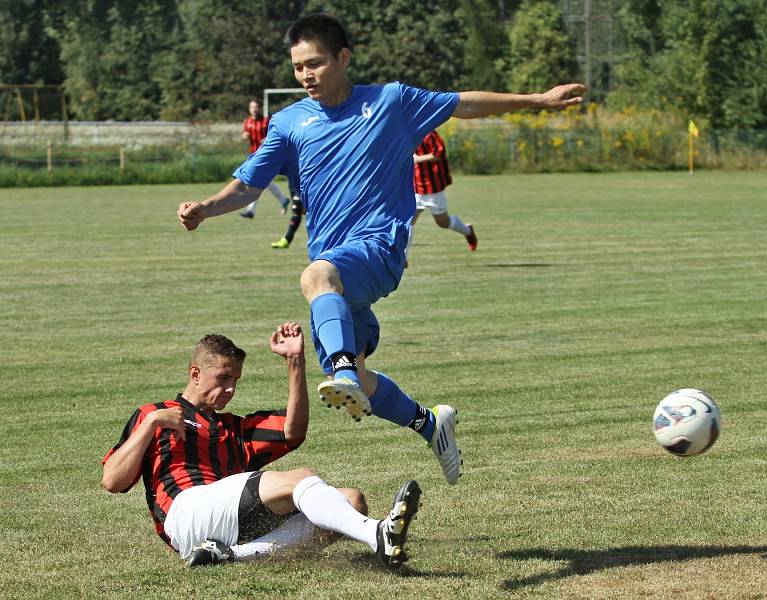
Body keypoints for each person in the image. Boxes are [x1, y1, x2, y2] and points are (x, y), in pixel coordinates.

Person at [177, 13, 585, 486]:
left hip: (377, 247)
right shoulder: (289, 123)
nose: (306, 75)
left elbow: (462, 104)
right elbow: (250, 184)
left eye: (315, 63)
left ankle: (346, 369)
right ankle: (430, 423)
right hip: (336, 266)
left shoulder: (391, 101)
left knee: (316, 283)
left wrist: (537, 100)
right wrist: (206, 208)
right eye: (297, 68)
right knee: (357, 380)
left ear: (343, 57)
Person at [101, 324, 422, 569]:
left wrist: (295, 361)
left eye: (236, 381)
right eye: (223, 378)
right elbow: (113, 481)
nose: (230, 389)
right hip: (185, 515)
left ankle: (230, 557)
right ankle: (378, 534)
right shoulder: (153, 414)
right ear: (195, 373)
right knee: (301, 477)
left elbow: (291, 431)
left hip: (230, 526)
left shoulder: (232, 429)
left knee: (351, 501)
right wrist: (152, 424)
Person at [408, 129, 477, 262]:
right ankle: (403, 257)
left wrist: (417, 159)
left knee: (443, 222)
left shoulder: (429, 133)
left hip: (432, 187)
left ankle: (468, 231)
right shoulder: (407, 131)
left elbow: (439, 152)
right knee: (408, 221)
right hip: (415, 187)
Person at [239, 98, 290, 218]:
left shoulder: (267, 121)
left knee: (255, 181)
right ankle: (284, 200)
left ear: (260, 108)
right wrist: (244, 136)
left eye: (256, 107)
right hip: (254, 155)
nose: (254, 109)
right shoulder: (248, 121)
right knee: (264, 182)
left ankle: (251, 210)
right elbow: (244, 135)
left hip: (267, 155)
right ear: (249, 109)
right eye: (252, 107)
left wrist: (266, 139)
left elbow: (275, 134)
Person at [271, 170, 305, 249]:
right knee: (298, 211)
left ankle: (287, 239)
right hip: (293, 181)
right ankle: (287, 240)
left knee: (297, 208)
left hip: (305, 180)